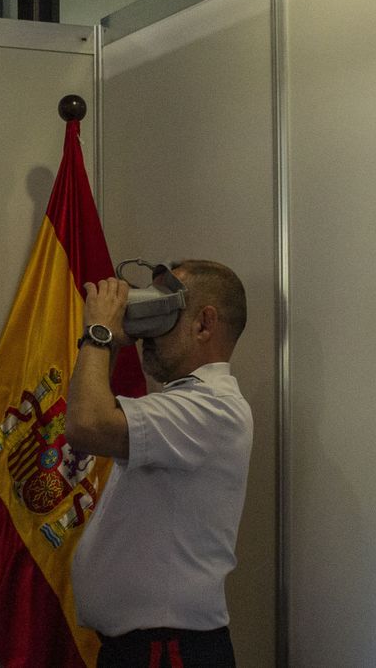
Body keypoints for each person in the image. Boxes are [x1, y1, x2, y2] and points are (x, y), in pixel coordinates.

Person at [66, 259, 253, 668]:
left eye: (166, 312)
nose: (150, 332)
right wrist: (114, 342)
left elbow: (86, 424)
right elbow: (94, 416)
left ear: (204, 324)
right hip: (147, 648)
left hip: (168, 651)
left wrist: (97, 332)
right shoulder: (185, 402)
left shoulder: (212, 406)